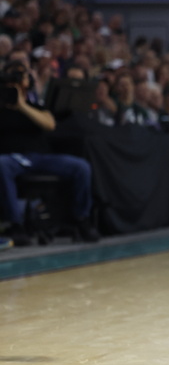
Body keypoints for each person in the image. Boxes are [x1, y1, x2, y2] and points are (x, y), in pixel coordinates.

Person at [0, 60, 98, 246]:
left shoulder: (34, 105)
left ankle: (81, 220)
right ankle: (16, 224)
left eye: (20, 76)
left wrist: (22, 105)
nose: (16, 80)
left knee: (81, 167)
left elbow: (50, 124)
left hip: (41, 158)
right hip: (13, 158)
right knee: (1, 164)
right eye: (12, 75)